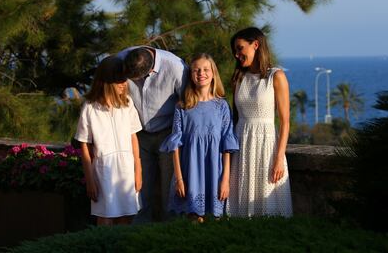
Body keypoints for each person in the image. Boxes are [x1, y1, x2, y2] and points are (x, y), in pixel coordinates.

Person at [160, 53, 239, 222]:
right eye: (196, 70)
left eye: (205, 69)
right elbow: (175, 145)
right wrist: (179, 179)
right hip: (190, 172)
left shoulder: (222, 106)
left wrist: (225, 179)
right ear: (191, 75)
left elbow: (227, 145)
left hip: (215, 172)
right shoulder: (183, 106)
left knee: (215, 220)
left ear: (213, 74)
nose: (201, 73)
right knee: (193, 218)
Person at [226, 27, 293, 217]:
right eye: (235, 51)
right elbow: (235, 118)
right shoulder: (238, 78)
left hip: (267, 147)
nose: (237, 54)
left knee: (269, 206)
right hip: (242, 145)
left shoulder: (276, 76)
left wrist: (279, 158)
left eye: (240, 48)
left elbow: (285, 122)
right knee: (241, 207)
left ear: (255, 45)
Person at [117, 46, 189, 222]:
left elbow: (188, 102)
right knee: (139, 189)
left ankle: (167, 234)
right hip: (138, 134)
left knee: (168, 191)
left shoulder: (176, 67)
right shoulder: (120, 60)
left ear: (150, 71)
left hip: (167, 133)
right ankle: (139, 235)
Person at [74, 56, 143, 226]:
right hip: (104, 172)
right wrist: (90, 180)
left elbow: (133, 137)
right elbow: (84, 145)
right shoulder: (90, 108)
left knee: (127, 216)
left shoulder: (127, 104)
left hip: (127, 169)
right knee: (105, 217)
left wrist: (138, 170)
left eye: (124, 79)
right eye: (119, 79)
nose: (124, 83)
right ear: (106, 81)